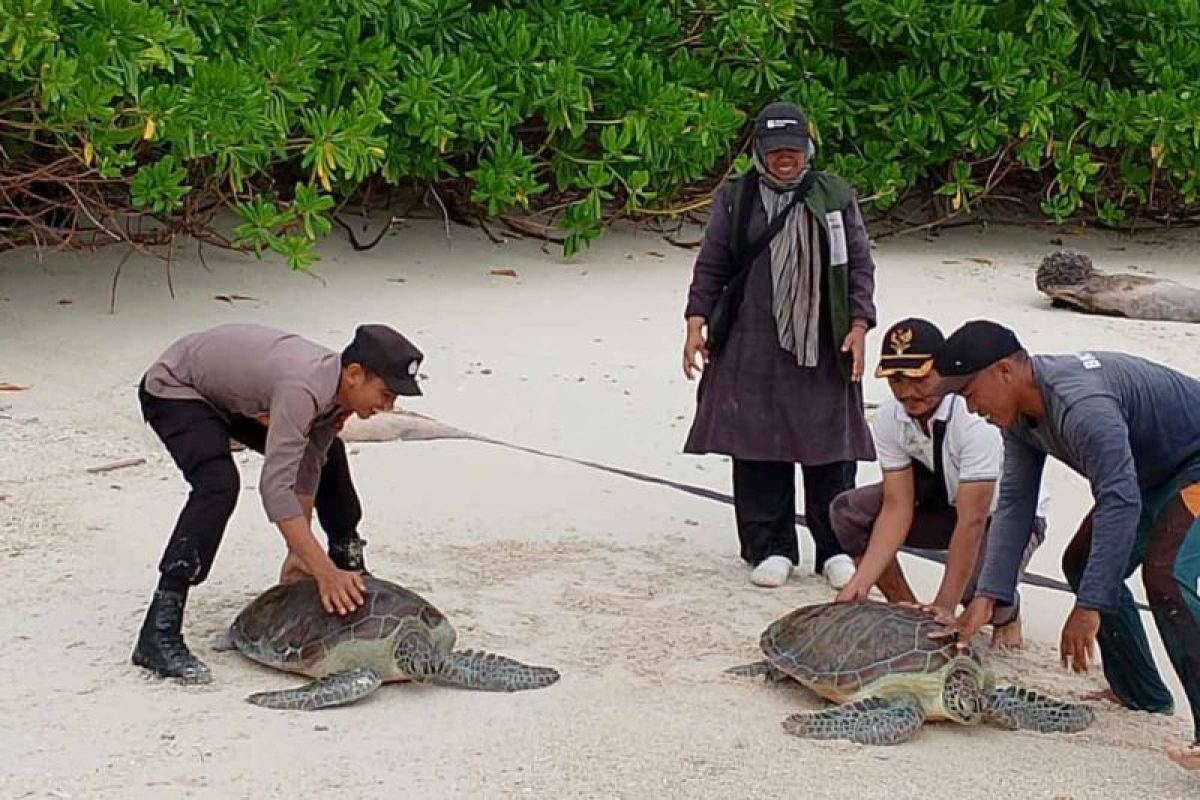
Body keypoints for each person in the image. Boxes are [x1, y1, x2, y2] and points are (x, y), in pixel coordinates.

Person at [929, 319, 1200, 770]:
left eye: (969, 392)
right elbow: (1016, 503)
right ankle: (1142, 693)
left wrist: (1089, 606)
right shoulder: (1018, 419)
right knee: (1081, 563)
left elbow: (1119, 499)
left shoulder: (1082, 406)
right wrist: (988, 596)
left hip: (1192, 463)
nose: (969, 407)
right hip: (1152, 473)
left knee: (1166, 574)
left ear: (1004, 372)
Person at [131, 322, 424, 684]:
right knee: (218, 485)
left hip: (228, 394)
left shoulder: (336, 395)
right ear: (354, 375)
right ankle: (158, 631)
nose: (388, 406)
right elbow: (275, 488)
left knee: (329, 455)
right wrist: (322, 571)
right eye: (385, 393)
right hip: (176, 388)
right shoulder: (303, 390)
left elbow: (306, 467)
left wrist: (301, 555)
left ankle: (350, 566)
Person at [681, 100, 878, 589]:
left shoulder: (835, 195)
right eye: (775, 149)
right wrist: (694, 322)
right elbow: (712, 264)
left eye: (793, 148)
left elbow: (859, 265)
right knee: (756, 442)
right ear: (758, 151)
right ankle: (769, 546)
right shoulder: (736, 197)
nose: (784, 157)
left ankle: (835, 547)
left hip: (822, 338)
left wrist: (859, 324)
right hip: (752, 338)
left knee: (829, 444)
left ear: (808, 149)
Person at [829, 317, 1049, 647]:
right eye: (896, 378)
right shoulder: (893, 415)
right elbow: (896, 506)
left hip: (1004, 516)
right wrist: (859, 584)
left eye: (918, 377)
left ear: (942, 372)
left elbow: (972, 521)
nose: (906, 390)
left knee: (976, 587)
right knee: (849, 511)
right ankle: (909, 614)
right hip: (947, 504)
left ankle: (1007, 612)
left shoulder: (973, 415)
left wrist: (945, 604)